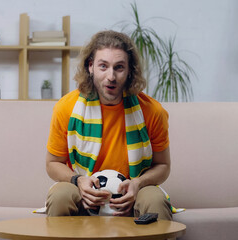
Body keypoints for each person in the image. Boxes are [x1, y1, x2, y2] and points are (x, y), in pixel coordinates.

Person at [45, 30, 173, 220]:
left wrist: (138, 183)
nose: (111, 76)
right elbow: (52, 163)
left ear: (130, 71)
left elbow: (163, 165)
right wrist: (78, 180)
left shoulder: (152, 111)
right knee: (60, 196)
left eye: (119, 67)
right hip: (82, 189)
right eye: (103, 66)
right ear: (91, 67)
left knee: (155, 201)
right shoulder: (66, 108)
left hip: (134, 192)